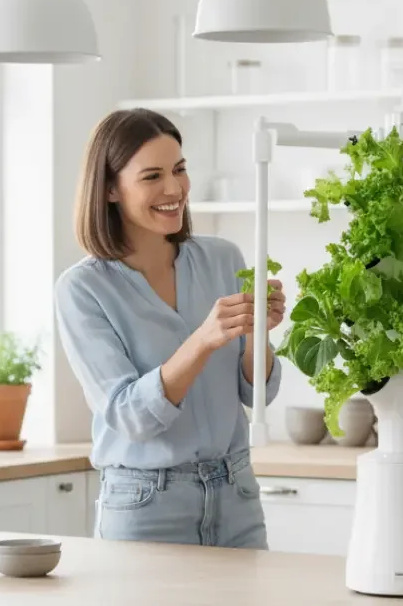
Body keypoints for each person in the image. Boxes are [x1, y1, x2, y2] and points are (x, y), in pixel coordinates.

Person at [55, 108, 285, 549]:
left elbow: (257, 393)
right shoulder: (83, 289)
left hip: (236, 494)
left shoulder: (223, 258)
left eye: (179, 169)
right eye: (152, 176)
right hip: (146, 505)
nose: (175, 189)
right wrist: (202, 340)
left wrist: (257, 331)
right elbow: (130, 416)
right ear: (110, 190)